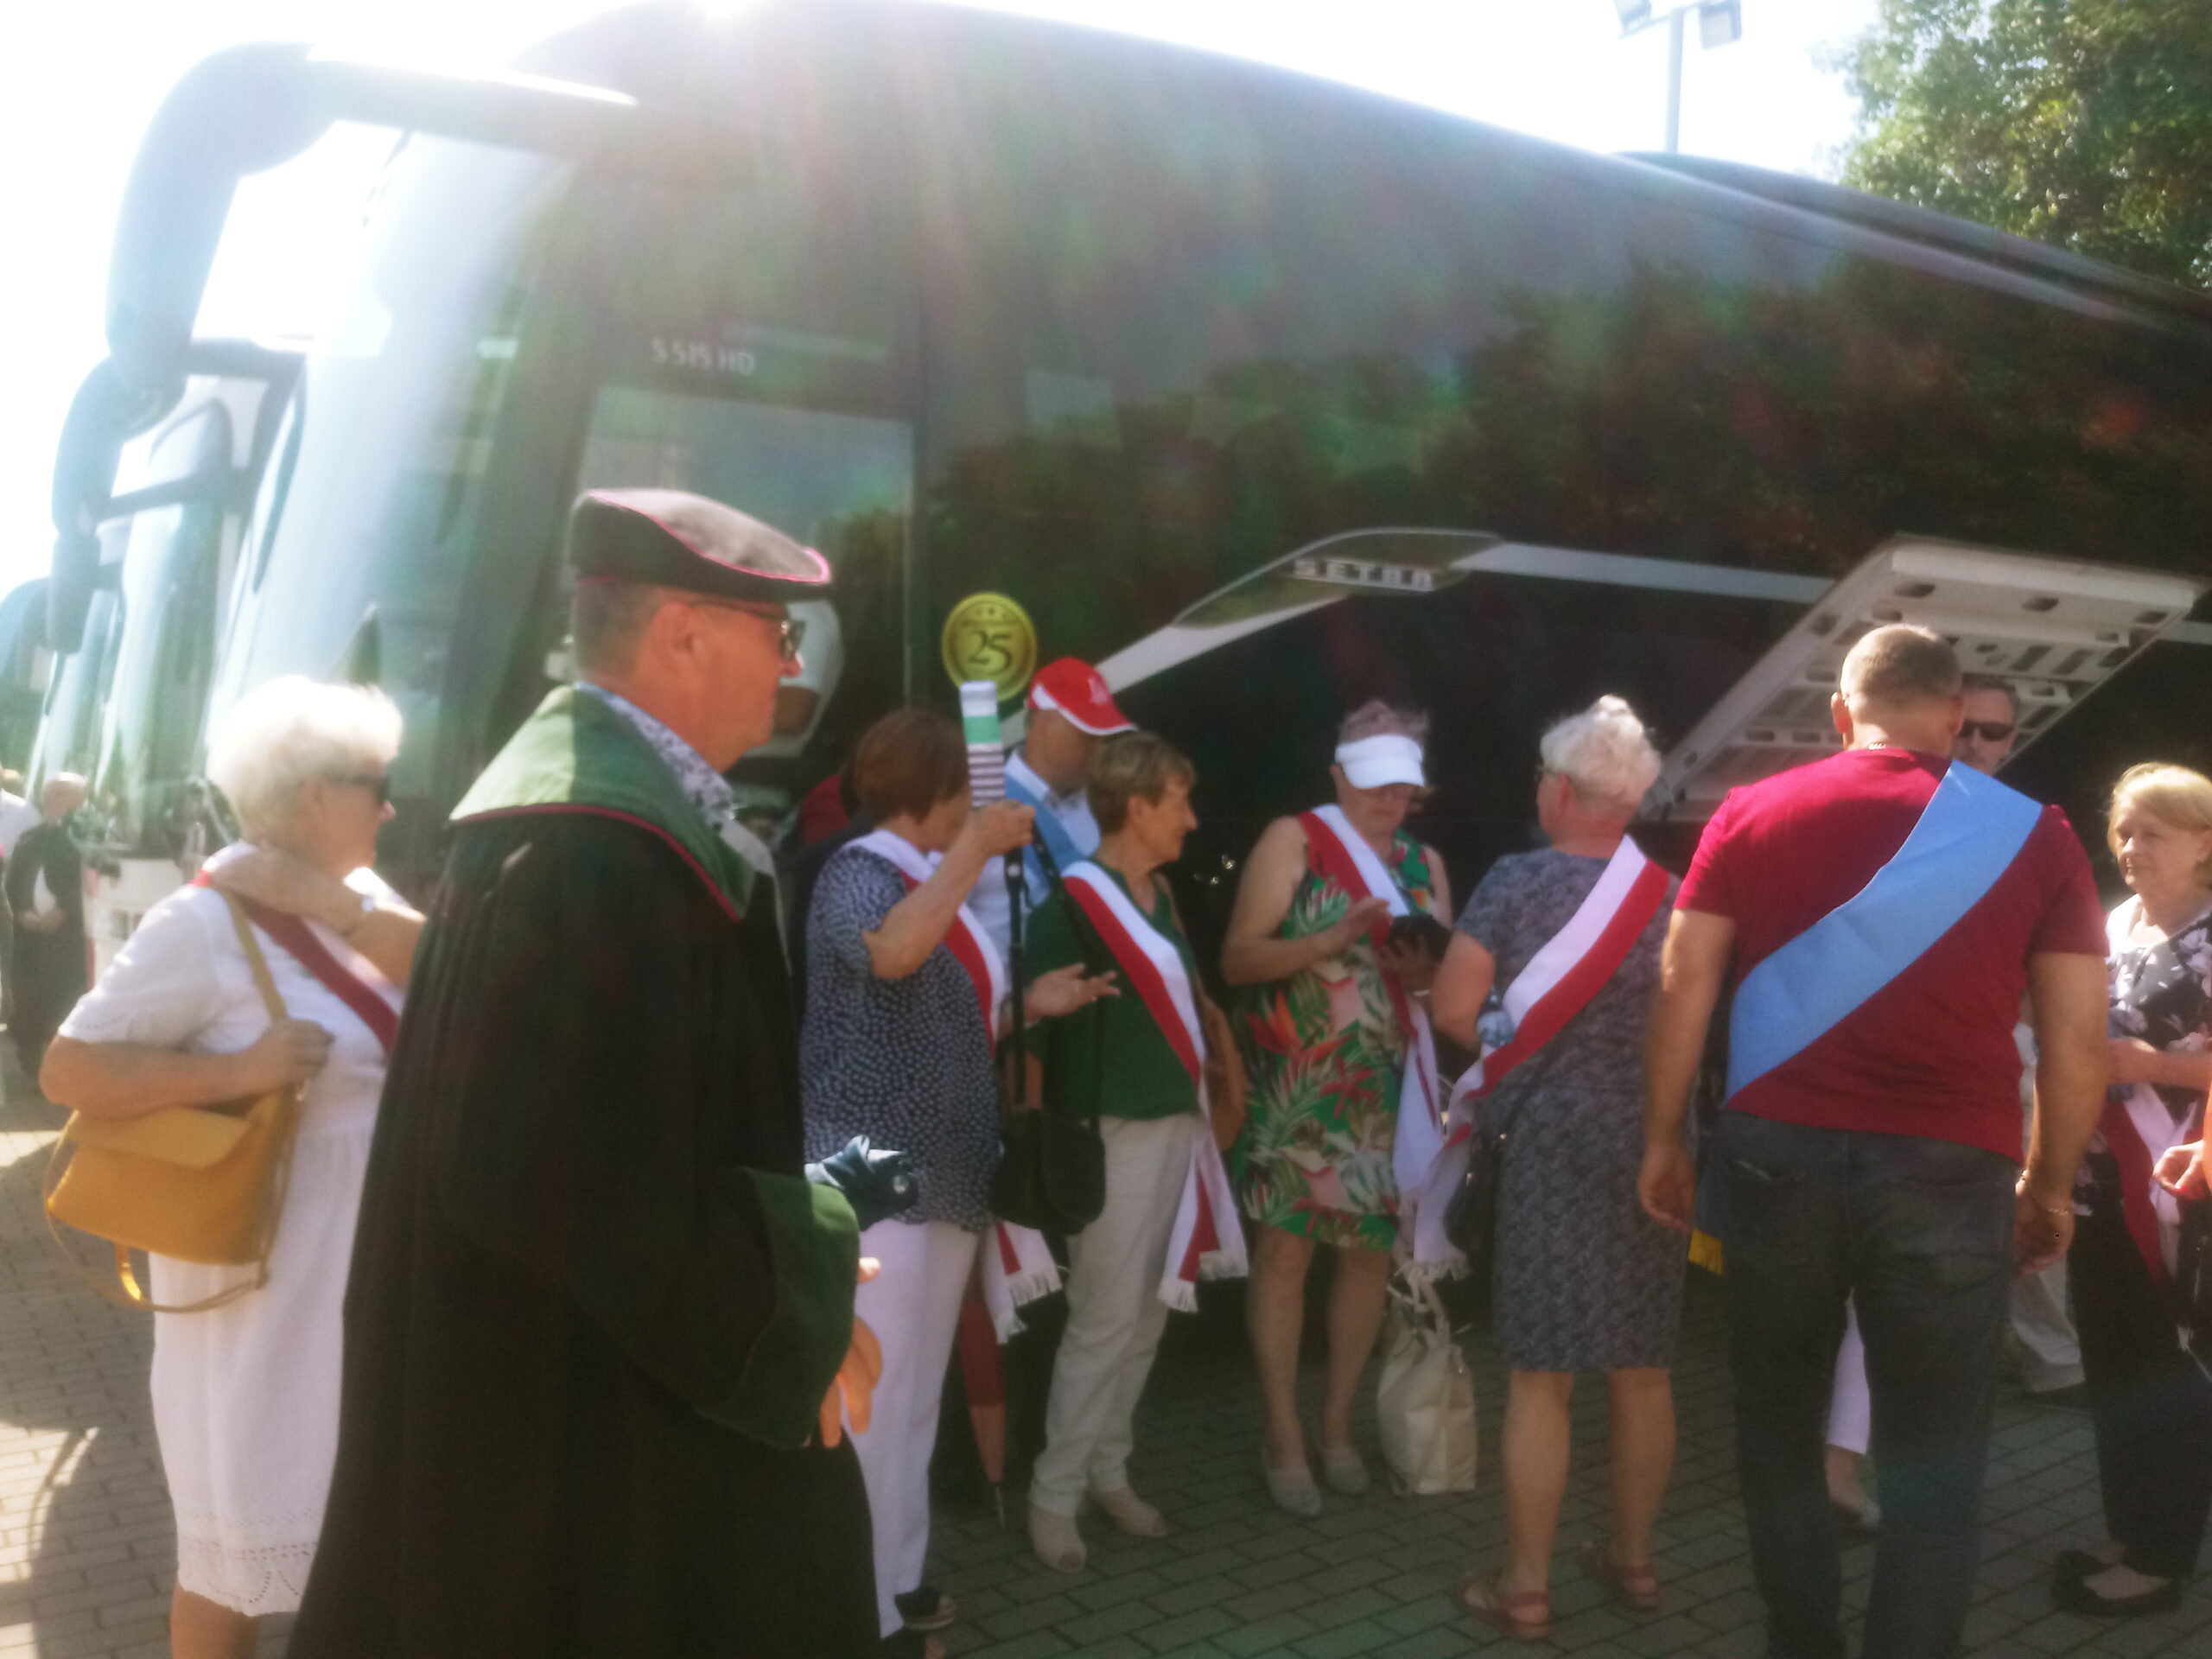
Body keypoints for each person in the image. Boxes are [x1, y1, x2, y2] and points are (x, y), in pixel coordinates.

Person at [290, 490, 885, 1658]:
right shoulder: (595, 850)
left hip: (572, 1390)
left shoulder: (582, 820)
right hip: (588, 1431)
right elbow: (560, 1180)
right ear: (682, 634)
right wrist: (787, 1305)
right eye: (778, 635)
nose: (792, 667)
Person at [1640, 624, 2109, 1659]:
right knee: (1936, 1450)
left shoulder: (1748, 812)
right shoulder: (2034, 834)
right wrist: (2047, 1186)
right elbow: (2077, 1038)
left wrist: (1664, 1138)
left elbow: (1682, 985)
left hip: (1773, 1158)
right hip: (1952, 1169)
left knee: (1776, 1425)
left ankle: (1800, 1640)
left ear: (1838, 716)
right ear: (1955, 716)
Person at [40, 678, 422, 1659]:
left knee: (377, 1545)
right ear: (313, 795)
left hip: (376, 1291)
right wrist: (235, 1072)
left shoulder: (367, 904)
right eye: (377, 785)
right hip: (263, 1304)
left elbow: (464, 974)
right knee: (233, 1563)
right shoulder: (201, 925)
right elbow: (67, 1070)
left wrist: (334, 905)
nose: (391, 808)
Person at [801, 709, 1110, 1655]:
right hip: (868, 1162)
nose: (977, 811)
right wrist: (975, 850)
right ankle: (856, 1607)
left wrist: (1029, 1004)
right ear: (932, 793)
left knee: (912, 1396)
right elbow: (891, 953)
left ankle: (895, 1582)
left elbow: (939, 1006)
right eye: (966, 798)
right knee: (873, 1394)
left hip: (945, 1164)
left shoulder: (926, 877)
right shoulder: (858, 869)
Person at [1430, 697, 1681, 1640]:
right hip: (1649, 1139)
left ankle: (1526, 1588)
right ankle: (1634, 1561)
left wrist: (1515, 1043)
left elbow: (1454, 1010)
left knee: (1543, 1375)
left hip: (1542, 1141)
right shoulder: (1671, 893)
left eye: (1542, 775)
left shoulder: (1515, 880)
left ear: (1564, 792)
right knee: (1643, 1369)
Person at [1222, 702, 1450, 1513]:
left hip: (1390, 1092)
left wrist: (1424, 977)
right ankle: (1282, 1432)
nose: (1390, 799)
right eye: (1375, 782)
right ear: (1337, 775)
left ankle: (1337, 1426)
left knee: (1366, 1259)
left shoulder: (1424, 861)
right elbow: (1238, 958)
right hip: (1300, 1087)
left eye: (1402, 786)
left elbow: (1444, 985)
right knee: (1286, 1256)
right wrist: (1324, 942)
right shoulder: (1296, 840)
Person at [1025, 732, 1245, 1571]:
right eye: (1178, 801)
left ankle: (1107, 1471)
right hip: (1108, 1133)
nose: (1191, 819)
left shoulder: (1161, 895)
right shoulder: (1073, 903)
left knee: (1151, 1310)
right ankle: (1054, 1494)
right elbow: (1032, 1034)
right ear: (1137, 805)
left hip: (1178, 1128)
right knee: (1103, 1319)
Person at [2050, 763, 2212, 1616]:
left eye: (2154, 832)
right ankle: (2130, 1532)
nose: (2132, 846)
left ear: (2203, 843)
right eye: (2123, 830)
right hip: (2096, 1186)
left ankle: (2160, 1560)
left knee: (2164, 1371)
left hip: (2179, 1195)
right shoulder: (2115, 922)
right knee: (2113, 1367)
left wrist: (2156, 1066)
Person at [1950, 676, 2090, 1408]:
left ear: (2012, 740)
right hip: (1923, 1049)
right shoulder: (1901, 818)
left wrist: (2029, 1038)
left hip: (2008, 1043)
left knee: (2024, 1200)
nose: (1977, 743)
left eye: (1995, 731)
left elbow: (2053, 952)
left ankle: (2055, 1362)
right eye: (1966, 726)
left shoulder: (2031, 830)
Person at [965, 658, 1135, 957]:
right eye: (1087, 734)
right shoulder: (980, 803)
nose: (1099, 748)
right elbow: (943, 925)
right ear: (1042, 723)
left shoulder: (1102, 804)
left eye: (1103, 736)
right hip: (1009, 986)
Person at [8, 773, 90, 1077]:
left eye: (61, 794)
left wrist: (63, 910)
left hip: (67, 941)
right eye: (49, 794)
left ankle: (64, 1070)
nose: (51, 801)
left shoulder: (84, 841)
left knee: (64, 1003)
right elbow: (14, 884)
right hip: (29, 940)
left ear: (80, 801)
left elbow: (85, 883)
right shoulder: (30, 839)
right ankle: (31, 1068)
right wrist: (23, 913)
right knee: (28, 1003)